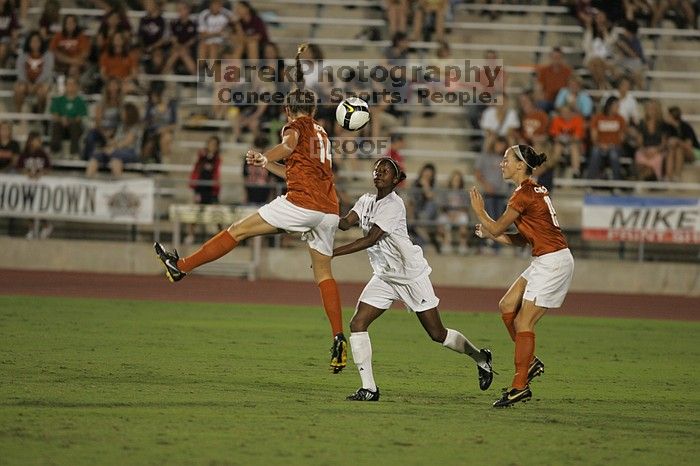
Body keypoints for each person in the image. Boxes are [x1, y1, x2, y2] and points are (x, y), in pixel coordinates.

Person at [154, 44, 348, 374]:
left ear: (288, 111)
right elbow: (294, 167)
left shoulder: (294, 127)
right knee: (323, 273)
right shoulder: (321, 133)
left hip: (302, 204)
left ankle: (181, 266)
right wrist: (266, 162)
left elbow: (286, 147)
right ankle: (339, 338)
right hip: (328, 210)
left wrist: (265, 155)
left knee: (237, 230)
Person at [334, 158, 493, 401]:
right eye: (376, 169)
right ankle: (369, 389)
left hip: (409, 275)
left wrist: (332, 253)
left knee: (437, 334)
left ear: (396, 180)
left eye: (385, 170)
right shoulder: (366, 200)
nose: (378, 172)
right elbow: (345, 224)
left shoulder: (394, 205)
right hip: (385, 276)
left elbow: (370, 239)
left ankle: (481, 357)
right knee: (357, 324)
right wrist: (325, 203)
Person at [469, 144, 574, 408]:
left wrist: (480, 211)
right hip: (545, 258)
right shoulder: (530, 191)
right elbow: (521, 239)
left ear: (520, 165)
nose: (501, 163)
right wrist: (490, 233)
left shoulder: (522, 195)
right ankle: (530, 362)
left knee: (524, 323)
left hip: (553, 263)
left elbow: (498, 225)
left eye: (506, 159)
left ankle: (519, 387)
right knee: (506, 305)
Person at [14, 30, 54, 113]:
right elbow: (20, 71)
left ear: (41, 42)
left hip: (42, 83)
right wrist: (27, 83)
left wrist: (36, 84)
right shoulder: (23, 55)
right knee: (18, 89)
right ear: (29, 42)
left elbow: (46, 72)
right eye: (32, 41)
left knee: (42, 92)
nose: (35, 43)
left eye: (37, 41)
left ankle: (39, 114)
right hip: (25, 82)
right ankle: (17, 114)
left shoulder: (48, 55)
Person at [49, 76, 88, 157]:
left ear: (77, 87)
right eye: (69, 84)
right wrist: (62, 120)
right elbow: (55, 115)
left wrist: (67, 120)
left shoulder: (80, 101)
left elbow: (79, 118)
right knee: (56, 125)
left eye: (73, 84)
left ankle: (74, 153)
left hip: (75, 128)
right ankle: (55, 151)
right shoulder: (58, 100)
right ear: (65, 86)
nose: (71, 86)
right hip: (61, 127)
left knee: (74, 126)